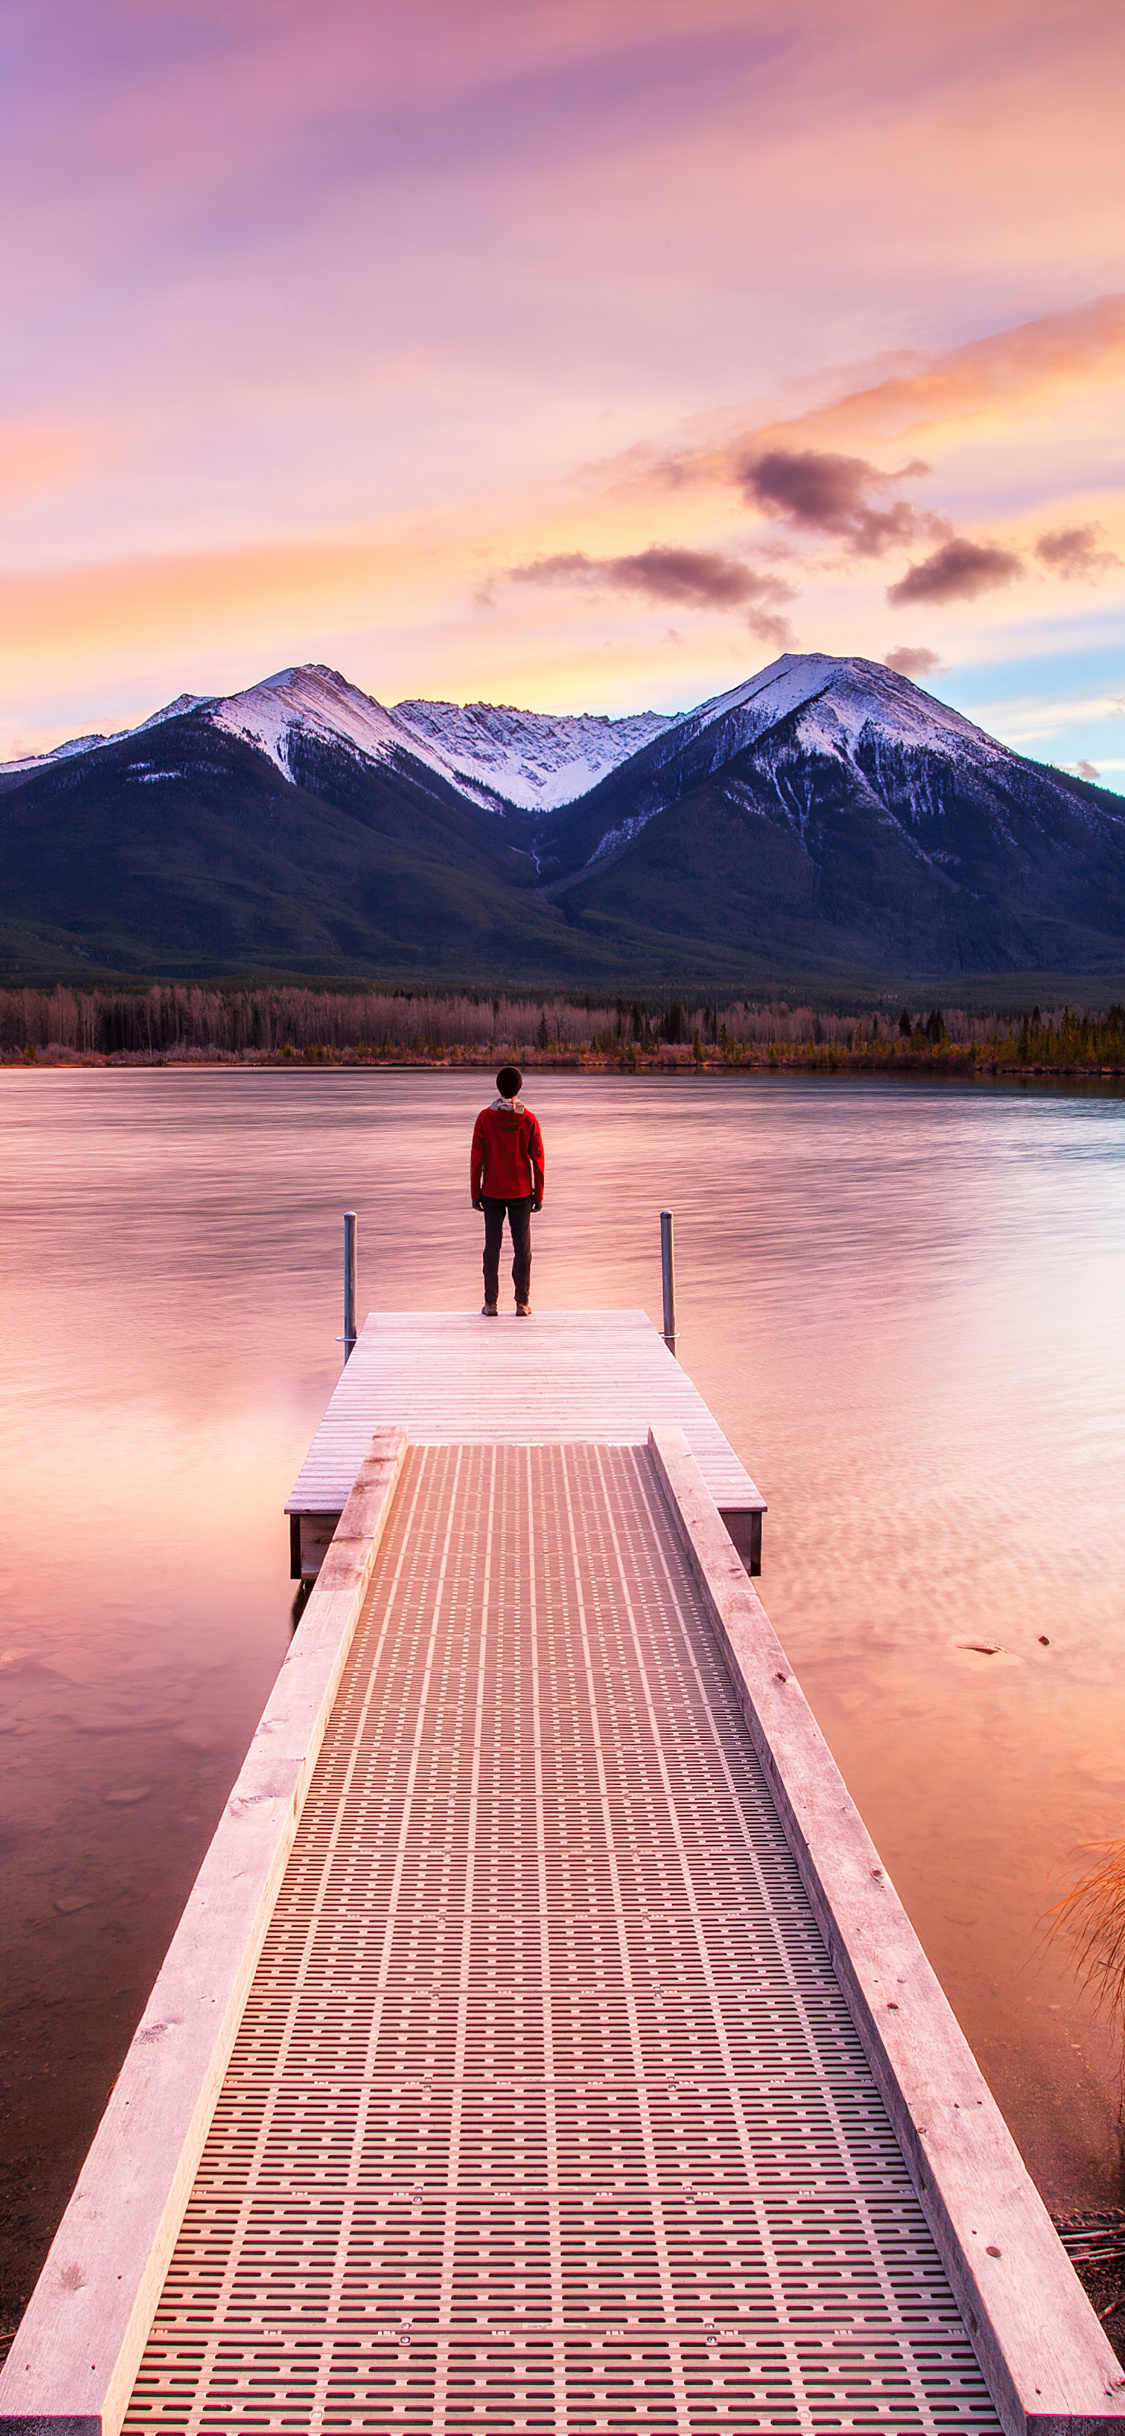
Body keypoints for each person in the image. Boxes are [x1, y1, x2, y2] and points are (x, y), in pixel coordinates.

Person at [470, 1066, 544, 1317]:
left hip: (491, 1191)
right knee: (522, 1249)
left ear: (498, 1088)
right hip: (522, 1192)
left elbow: (476, 1158)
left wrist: (474, 1192)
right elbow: (538, 1159)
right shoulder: (529, 1119)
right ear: (519, 1088)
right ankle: (522, 1303)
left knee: (492, 1248)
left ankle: (491, 1303)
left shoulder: (484, 1118)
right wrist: (539, 1193)